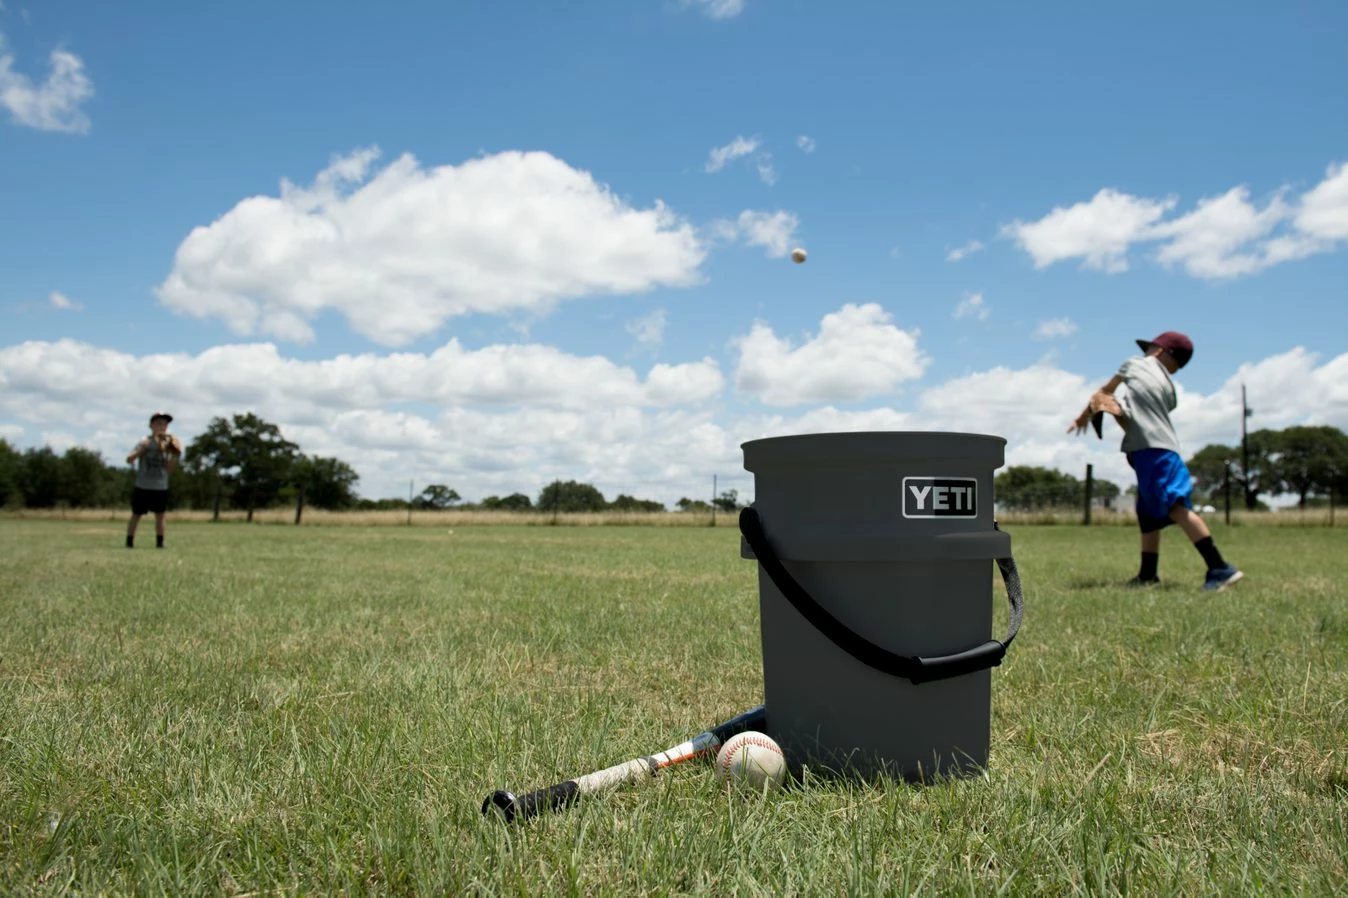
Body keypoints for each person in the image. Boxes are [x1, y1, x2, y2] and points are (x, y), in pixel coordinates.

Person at [1069, 331, 1244, 592]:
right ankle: (1148, 574)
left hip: (1154, 451)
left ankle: (1219, 567)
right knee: (1148, 514)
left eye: (1149, 349)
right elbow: (1133, 413)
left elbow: (1103, 393)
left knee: (1175, 505)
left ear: (1159, 350)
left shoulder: (1135, 364)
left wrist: (1082, 417)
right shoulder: (1169, 389)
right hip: (1156, 449)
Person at [126, 412, 181, 549]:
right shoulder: (144, 441)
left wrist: (174, 455)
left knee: (160, 515)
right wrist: (142, 450)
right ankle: (129, 542)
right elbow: (129, 459)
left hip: (160, 486)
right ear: (151, 425)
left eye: (164, 424)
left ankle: (160, 543)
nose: (162, 426)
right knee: (136, 514)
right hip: (143, 484)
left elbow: (168, 469)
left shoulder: (169, 443)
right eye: (158, 423)